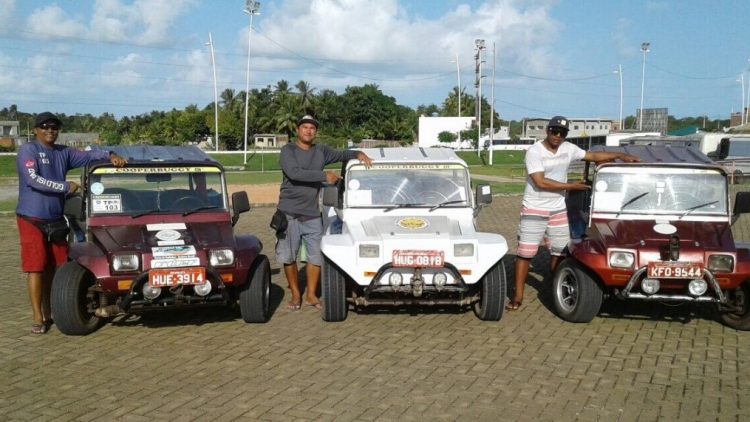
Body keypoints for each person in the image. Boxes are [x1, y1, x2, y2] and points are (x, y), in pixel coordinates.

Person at [507, 116, 639, 311]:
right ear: (547, 131)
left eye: (562, 133)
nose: (558, 136)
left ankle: (554, 288)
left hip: (558, 208)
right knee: (526, 254)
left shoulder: (568, 148)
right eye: (554, 131)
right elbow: (540, 182)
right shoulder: (534, 151)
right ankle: (517, 296)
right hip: (534, 207)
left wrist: (619, 155)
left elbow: (592, 156)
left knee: (559, 252)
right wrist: (572, 187)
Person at [16, 112, 127, 333]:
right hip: (31, 219)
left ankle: (54, 309)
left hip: (56, 219)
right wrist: (65, 187)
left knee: (58, 267)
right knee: (36, 267)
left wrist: (111, 154)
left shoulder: (63, 152)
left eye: (54, 128)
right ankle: (39, 317)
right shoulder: (29, 150)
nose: (50, 131)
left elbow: (88, 156)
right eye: (45, 127)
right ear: (36, 130)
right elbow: (32, 179)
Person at [276, 114, 372, 310]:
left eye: (312, 128)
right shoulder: (288, 150)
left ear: (315, 132)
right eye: (305, 127)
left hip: (312, 213)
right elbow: (294, 173)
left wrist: (357, 153)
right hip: (289, 213)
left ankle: (311, 294)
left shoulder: (321, 151)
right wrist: (324, 175)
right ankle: (295, 294)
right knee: (288, 256)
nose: (309, 131)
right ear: (298, 130)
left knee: (316, 257)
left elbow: (341, 154)